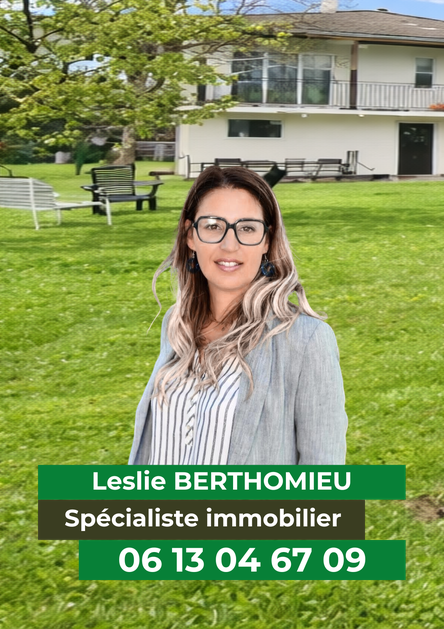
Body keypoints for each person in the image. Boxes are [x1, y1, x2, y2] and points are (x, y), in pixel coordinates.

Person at [128, 165, 346, 464]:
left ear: (267, 239)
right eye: (213, 226)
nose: (229, 245)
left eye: (247, 228)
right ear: (190, 235)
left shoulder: (305, 340)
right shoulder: (177, 323)